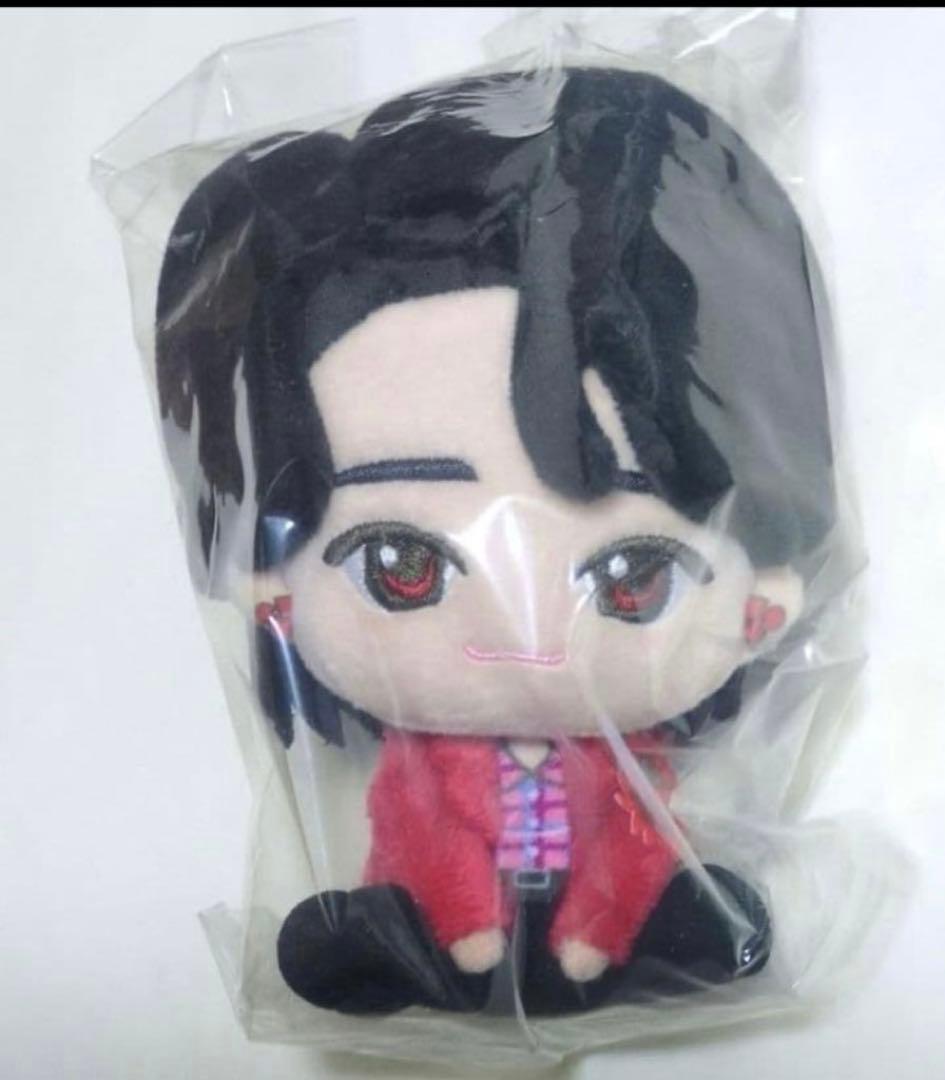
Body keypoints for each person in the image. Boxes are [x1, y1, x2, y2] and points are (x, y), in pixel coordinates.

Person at [155, 66, 834, 1016]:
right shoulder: (422, 769)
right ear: (276, 588)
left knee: (658, 892)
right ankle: (411, 949)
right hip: (451, 919)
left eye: (634, 575)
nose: (522, 633)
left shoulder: (630, 764)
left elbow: (634, 837)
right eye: (403, 566)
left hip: (601, 919)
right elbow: (421, 836)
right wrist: (468, 930)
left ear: (760, 597)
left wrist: (596, 934)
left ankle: (647, 941)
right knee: (416, 910)